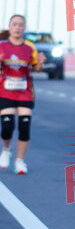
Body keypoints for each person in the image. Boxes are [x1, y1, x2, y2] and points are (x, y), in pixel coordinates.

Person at [0, 14, 45, 174]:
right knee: (7, 127)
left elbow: (36, 68)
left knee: (24, 126)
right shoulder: (2, 46)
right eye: (14, 24)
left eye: (20, 25)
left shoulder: (30, 47)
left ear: (24, 28)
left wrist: (40, 63)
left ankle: (20, 161)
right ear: (9, 27)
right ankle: (6, 150)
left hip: (25, 92)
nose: (17, 27)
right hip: (5, 91)